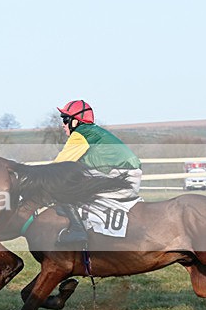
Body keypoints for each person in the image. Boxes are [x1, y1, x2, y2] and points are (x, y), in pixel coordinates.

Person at [54, 100, 142, 244]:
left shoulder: (81, 134)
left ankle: (78, 230)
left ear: (76, 121)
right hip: (125, 176)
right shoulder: (94, 132)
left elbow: (57, 167)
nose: (63, 124)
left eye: (65, 119)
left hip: (119, 178)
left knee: (63, 188)